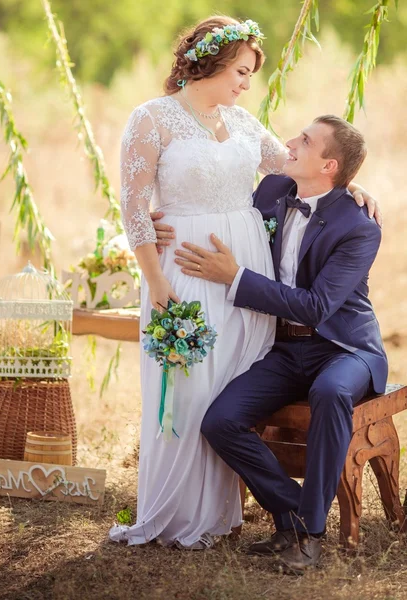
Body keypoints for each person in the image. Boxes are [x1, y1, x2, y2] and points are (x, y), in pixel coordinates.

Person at [110, 15, 376, 550]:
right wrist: (155, 277)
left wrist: (355, 185)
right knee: (187, 388)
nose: (245, 83)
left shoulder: (243, 122)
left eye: (251, 74)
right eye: (240, 70)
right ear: (208, 61)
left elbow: (304, 168)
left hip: (243, 275)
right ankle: (181, 512)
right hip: (182, 268)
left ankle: (224, 512)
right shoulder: (151, 119)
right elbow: (133, 204)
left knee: (224, 381)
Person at [167, 115, 387, 571]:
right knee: (220, 421)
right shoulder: (271, 191)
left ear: (329, 166)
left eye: (304, 141)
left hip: (344, 348)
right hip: (284, 348)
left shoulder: (360, 226)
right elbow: (223, 221)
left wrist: (237, 279)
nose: (289, 143)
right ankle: (295, 510)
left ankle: (310, 534)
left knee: (330, 392)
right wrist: (161, 221)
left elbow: (314, 307)